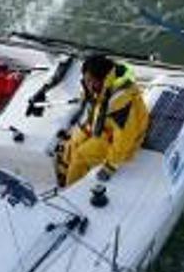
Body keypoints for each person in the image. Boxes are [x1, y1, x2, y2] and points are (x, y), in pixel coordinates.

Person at [56, 53, 149, 188]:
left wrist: (110, 167)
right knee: (72, 144)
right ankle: (64, 172)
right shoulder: (103, 90)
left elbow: (125, 138)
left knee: (80, 158)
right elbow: (96, 111)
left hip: (117, 140)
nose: (86, 84)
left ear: (102, 79)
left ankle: (70, 189)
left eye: (89, 80)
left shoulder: (121, 101)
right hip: (103, 128)